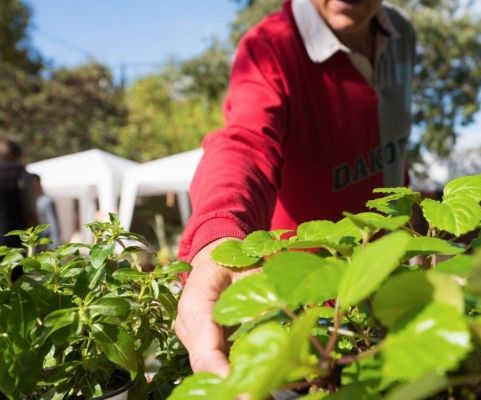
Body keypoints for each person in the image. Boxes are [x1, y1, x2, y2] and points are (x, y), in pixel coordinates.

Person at [175, 0, 416, 376]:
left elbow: (391, 151)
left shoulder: (402, 34)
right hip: (306, 313)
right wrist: (219, 236)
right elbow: (245, 145)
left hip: (388, 289)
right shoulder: (270, 47)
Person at [31, 174, 61, 248]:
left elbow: (53, 224)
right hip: (34, 242)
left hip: (44, 241)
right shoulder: (31, 201)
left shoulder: (46, 201)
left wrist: (54, 245)